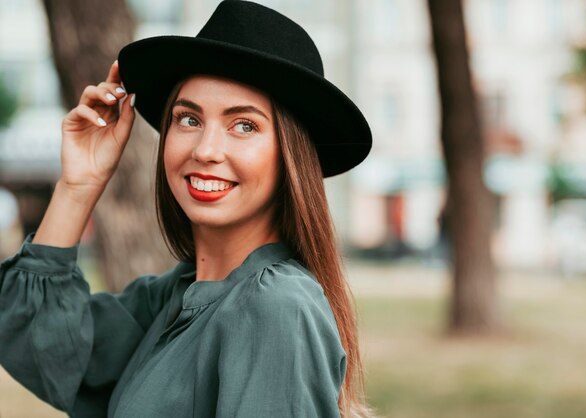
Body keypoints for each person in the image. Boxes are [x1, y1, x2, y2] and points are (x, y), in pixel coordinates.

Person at [0, 1, 374, 417]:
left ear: (290, 157)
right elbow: (38, 340)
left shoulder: (275, 308)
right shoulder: (173, 298)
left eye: (244, 125)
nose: (206, 150)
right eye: (189, 119)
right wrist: (77, 185)